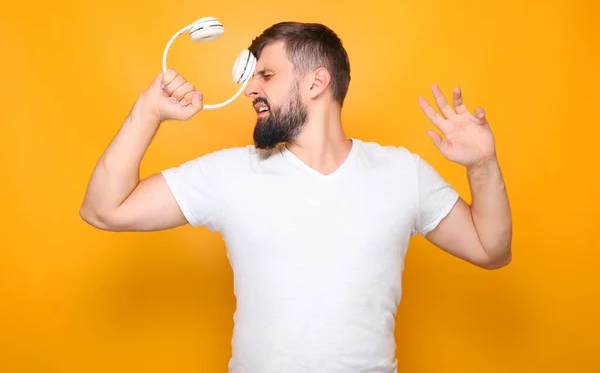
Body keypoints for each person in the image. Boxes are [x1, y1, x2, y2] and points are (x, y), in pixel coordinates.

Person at [80, 21, 512, 373]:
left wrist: (482, 164)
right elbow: (104, 209)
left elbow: (490, 249)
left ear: (316, 82)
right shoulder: (230, 173)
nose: (250, 89)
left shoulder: (403, 173)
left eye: (266, 75)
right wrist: (148, 111)